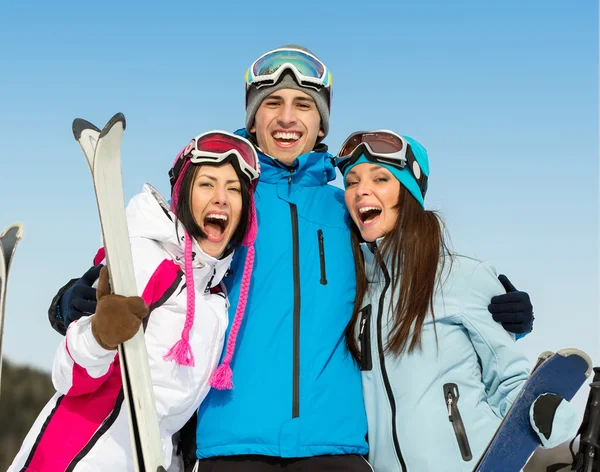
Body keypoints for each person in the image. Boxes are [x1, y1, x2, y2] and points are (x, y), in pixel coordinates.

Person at [48, 46, 535, 471]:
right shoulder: (228, 197)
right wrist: (83, 291)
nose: (287, 118)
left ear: (321, 122)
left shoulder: (343, 207)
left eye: (303, 105)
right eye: (273, 105)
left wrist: (494, 307)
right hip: (231, 439)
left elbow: (399, 273)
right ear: (253, 119)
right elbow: (163, 252)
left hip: (336, 443)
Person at [9, 131, 260, 471]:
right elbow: (67, 377)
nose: (221, 198)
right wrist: (99, 337)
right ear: (183, 195)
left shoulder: (215, 296)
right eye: (207, 184)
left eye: (233, 188)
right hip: (80, 454)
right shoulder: (147, 257)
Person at [337, 129, 578, 471]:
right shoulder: (356, 290)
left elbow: (508, 379)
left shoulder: (462, 276)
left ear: (407, 194)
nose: (362, 190)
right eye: (351, 181)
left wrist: (551, 416)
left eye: (380, 178)